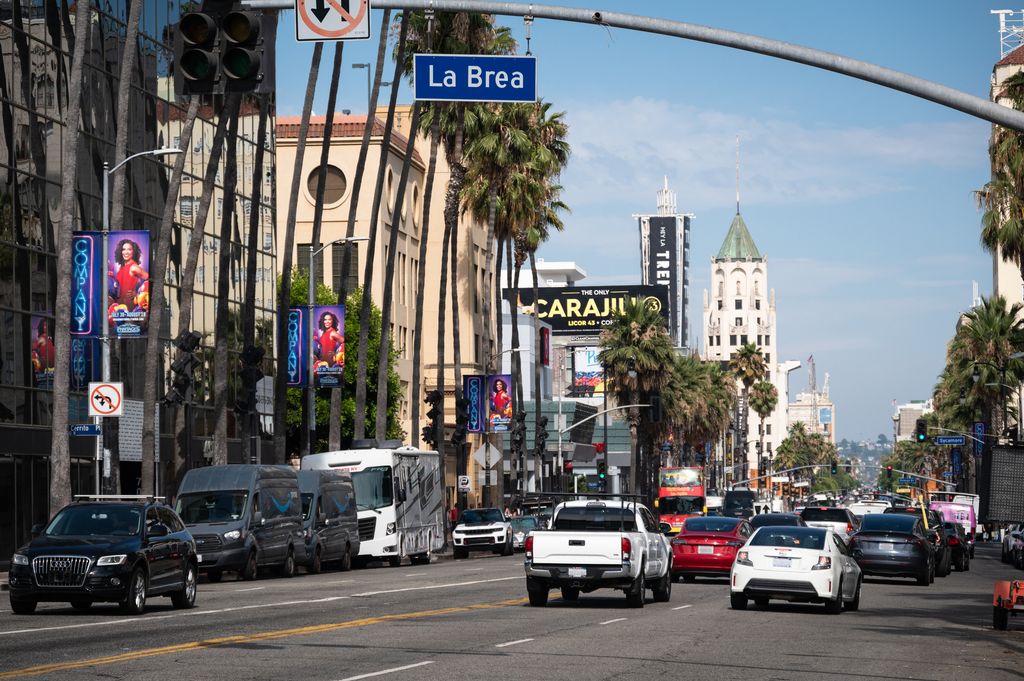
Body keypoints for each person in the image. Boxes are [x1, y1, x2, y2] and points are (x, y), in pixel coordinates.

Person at [111, 238, 149, 308]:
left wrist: (137, 293)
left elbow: (149, 279)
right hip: (119, 305)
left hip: (129, 306)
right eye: (123, 249)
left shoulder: (134, 267)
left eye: (129, 249)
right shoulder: (122, 267)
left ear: (133, 251)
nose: (126, 252)